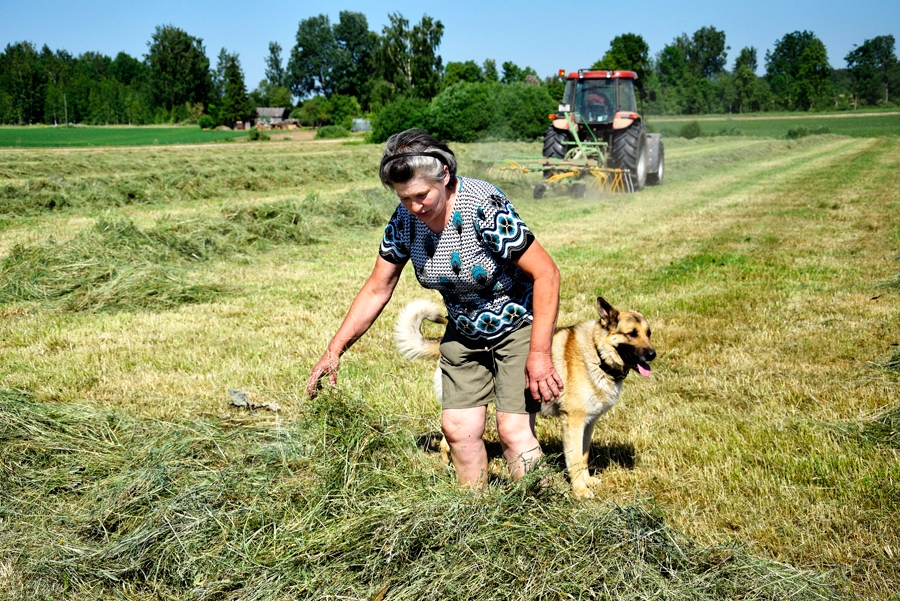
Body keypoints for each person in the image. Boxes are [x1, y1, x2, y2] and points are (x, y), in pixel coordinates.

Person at [306, 129, 563, 488]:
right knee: (458, 430)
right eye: (404, 198)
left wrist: (539, 352)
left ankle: (539, 516)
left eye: (421, 195)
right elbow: (378, 288)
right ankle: (474, 517)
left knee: (512, 430)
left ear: (444, 174)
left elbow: (547, 273)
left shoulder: (483, 206)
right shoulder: (405, 220)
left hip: (517, 323)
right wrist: (334, 351)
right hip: (462, 330)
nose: (414, 206)